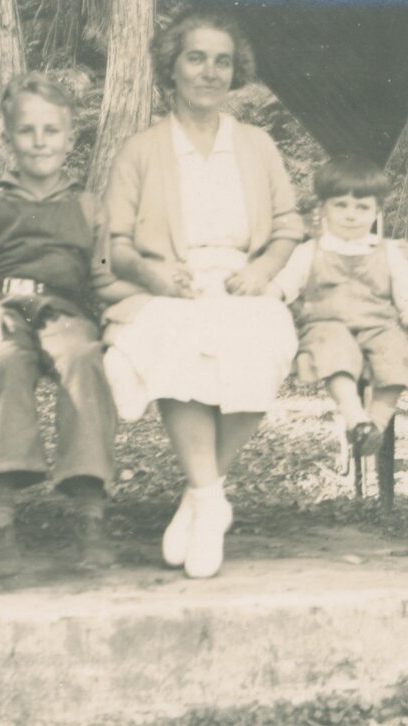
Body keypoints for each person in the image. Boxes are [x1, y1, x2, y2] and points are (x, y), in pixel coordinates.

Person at [101, 10, 303, 579]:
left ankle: (200, 497)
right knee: (179, 341)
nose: (210, 72)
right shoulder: (139, 150)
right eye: (196, 58)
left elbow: (290, 227)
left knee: (267, 339)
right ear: (172, 67)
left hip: (242, 283)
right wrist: (152, 275)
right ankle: (211, 499)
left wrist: (263, 272)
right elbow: (105, 246)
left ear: (235, 72)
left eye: (222, 61)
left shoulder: (259, 146)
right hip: (173, 287)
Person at [0, 73, 143, 578]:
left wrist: (128, 316)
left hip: (67, 313)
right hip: (5, 308)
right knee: (3, 363)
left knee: (83, 361)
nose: (40, 142)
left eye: (52, 131)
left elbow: (104, 280)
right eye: (27, 131)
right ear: (8, 138)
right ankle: (0, 518)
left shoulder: (88, 206)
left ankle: (90, 511)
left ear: (70, 138)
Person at [267, 155, 408, 457]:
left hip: (378, 326)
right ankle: (355, 418)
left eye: (362, 207)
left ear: (376, 211)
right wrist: (265, 297)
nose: (351, 215)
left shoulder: (387, 252)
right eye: (340, 205)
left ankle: (375, 425)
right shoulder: (309, 251)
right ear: (323, 208)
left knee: (397, 353)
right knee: (334, 352)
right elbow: (281, 287)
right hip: (326, 326)